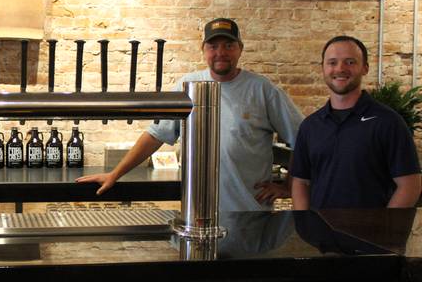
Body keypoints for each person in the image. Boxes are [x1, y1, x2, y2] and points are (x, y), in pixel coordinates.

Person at [77, 18, 304, 214]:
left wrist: (287, 185)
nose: (221, 53)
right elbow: (155, 136)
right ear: (204, 50)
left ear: (240, 49)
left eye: (228, 45)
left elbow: (303, 140)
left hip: (250, 213)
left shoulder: (262, 90)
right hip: (197, 213)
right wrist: (114, 174)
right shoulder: (188, 86)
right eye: (213, 46)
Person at [291, 36, 420, 210]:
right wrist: (305, 223)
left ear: (365, 68)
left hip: (371, 235)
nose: (340, 68)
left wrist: (384, 229)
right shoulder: (310, 126)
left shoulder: (388, 122)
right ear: (323, 68)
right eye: (332, 62)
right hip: (321, 235)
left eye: (350, 62)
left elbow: (410, 185)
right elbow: (300, 182)